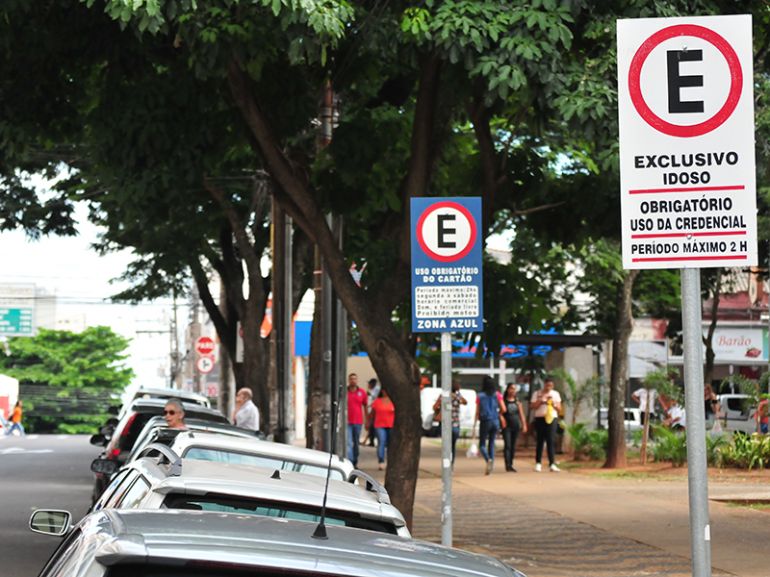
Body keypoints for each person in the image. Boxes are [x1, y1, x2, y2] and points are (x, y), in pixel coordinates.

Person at [475, 376, 506, 475]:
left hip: (485, 421)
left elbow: (477, 411)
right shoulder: (497, 395)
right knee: (492, 443)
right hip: (495, 420)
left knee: (482, 444)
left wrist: (475, 423)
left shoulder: (480, 396)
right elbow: (504, 409)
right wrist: (498, 413)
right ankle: (491, 466)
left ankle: (488, 459)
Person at [432, 381, 468, 465]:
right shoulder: (458, 397)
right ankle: (451, 466)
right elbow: (465, 402)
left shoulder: (443, 396)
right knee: (453, 446)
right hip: (455, 425)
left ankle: (446, 464)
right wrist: (457, 395)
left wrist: (439, 409)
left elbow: (435, 406)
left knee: (446, 447)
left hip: (446, 425)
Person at [531, 377, 562, 472]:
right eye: (547, 385)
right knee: (540, 440)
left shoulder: (555, 394)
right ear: (544, 384)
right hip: (540, 418)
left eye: (551, 385)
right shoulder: (537, 394)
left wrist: (553, 404)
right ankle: (538, 463)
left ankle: (552, 463)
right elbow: (533, 406)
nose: (549, 387)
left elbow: (560, 409)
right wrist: (541, 401)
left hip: (552, 418)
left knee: (551, 441)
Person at [501, 383, 527, 472]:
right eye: (511, 388)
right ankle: (507, 464)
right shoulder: (503, 401)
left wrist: (524, 425)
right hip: (506, 427)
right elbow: (500, 413)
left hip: (515, 426)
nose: (513, 391)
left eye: (514, 389)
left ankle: (511, 463)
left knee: (513, 446)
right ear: (507, 390)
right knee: (507, 445)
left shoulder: (517, 402)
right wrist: (502, 420)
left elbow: (521, 414)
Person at [370, 389, 395, 470]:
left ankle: (390, 461)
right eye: (384, 390)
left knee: (390, 444)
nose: (386, 392)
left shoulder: (393, 401)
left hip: (391, 425)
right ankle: (381, 460)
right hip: (379, 425)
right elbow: (372, 413)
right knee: (382, 441)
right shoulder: (377, 401)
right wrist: (369, 422)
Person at [346, 373, 368, 467]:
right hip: (347, 421)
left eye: (355, 379)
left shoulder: (362, 392)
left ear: (357, 380)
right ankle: (350, 461)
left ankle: (355, 460)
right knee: (349, 442)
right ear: (348, 380)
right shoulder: (345, 392)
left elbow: (365, 406)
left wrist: (367, 420)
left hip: (358, 421)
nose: (353, 381)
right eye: (351, 379)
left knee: (356, 442)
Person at [364, 378, 380, 447]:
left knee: (373, 425)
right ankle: (370, 441)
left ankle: (371, 440)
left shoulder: (376, 389)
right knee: (371, 426)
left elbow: (375, 398)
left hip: (375, 410)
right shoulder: (373, 390)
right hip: (372, 409)